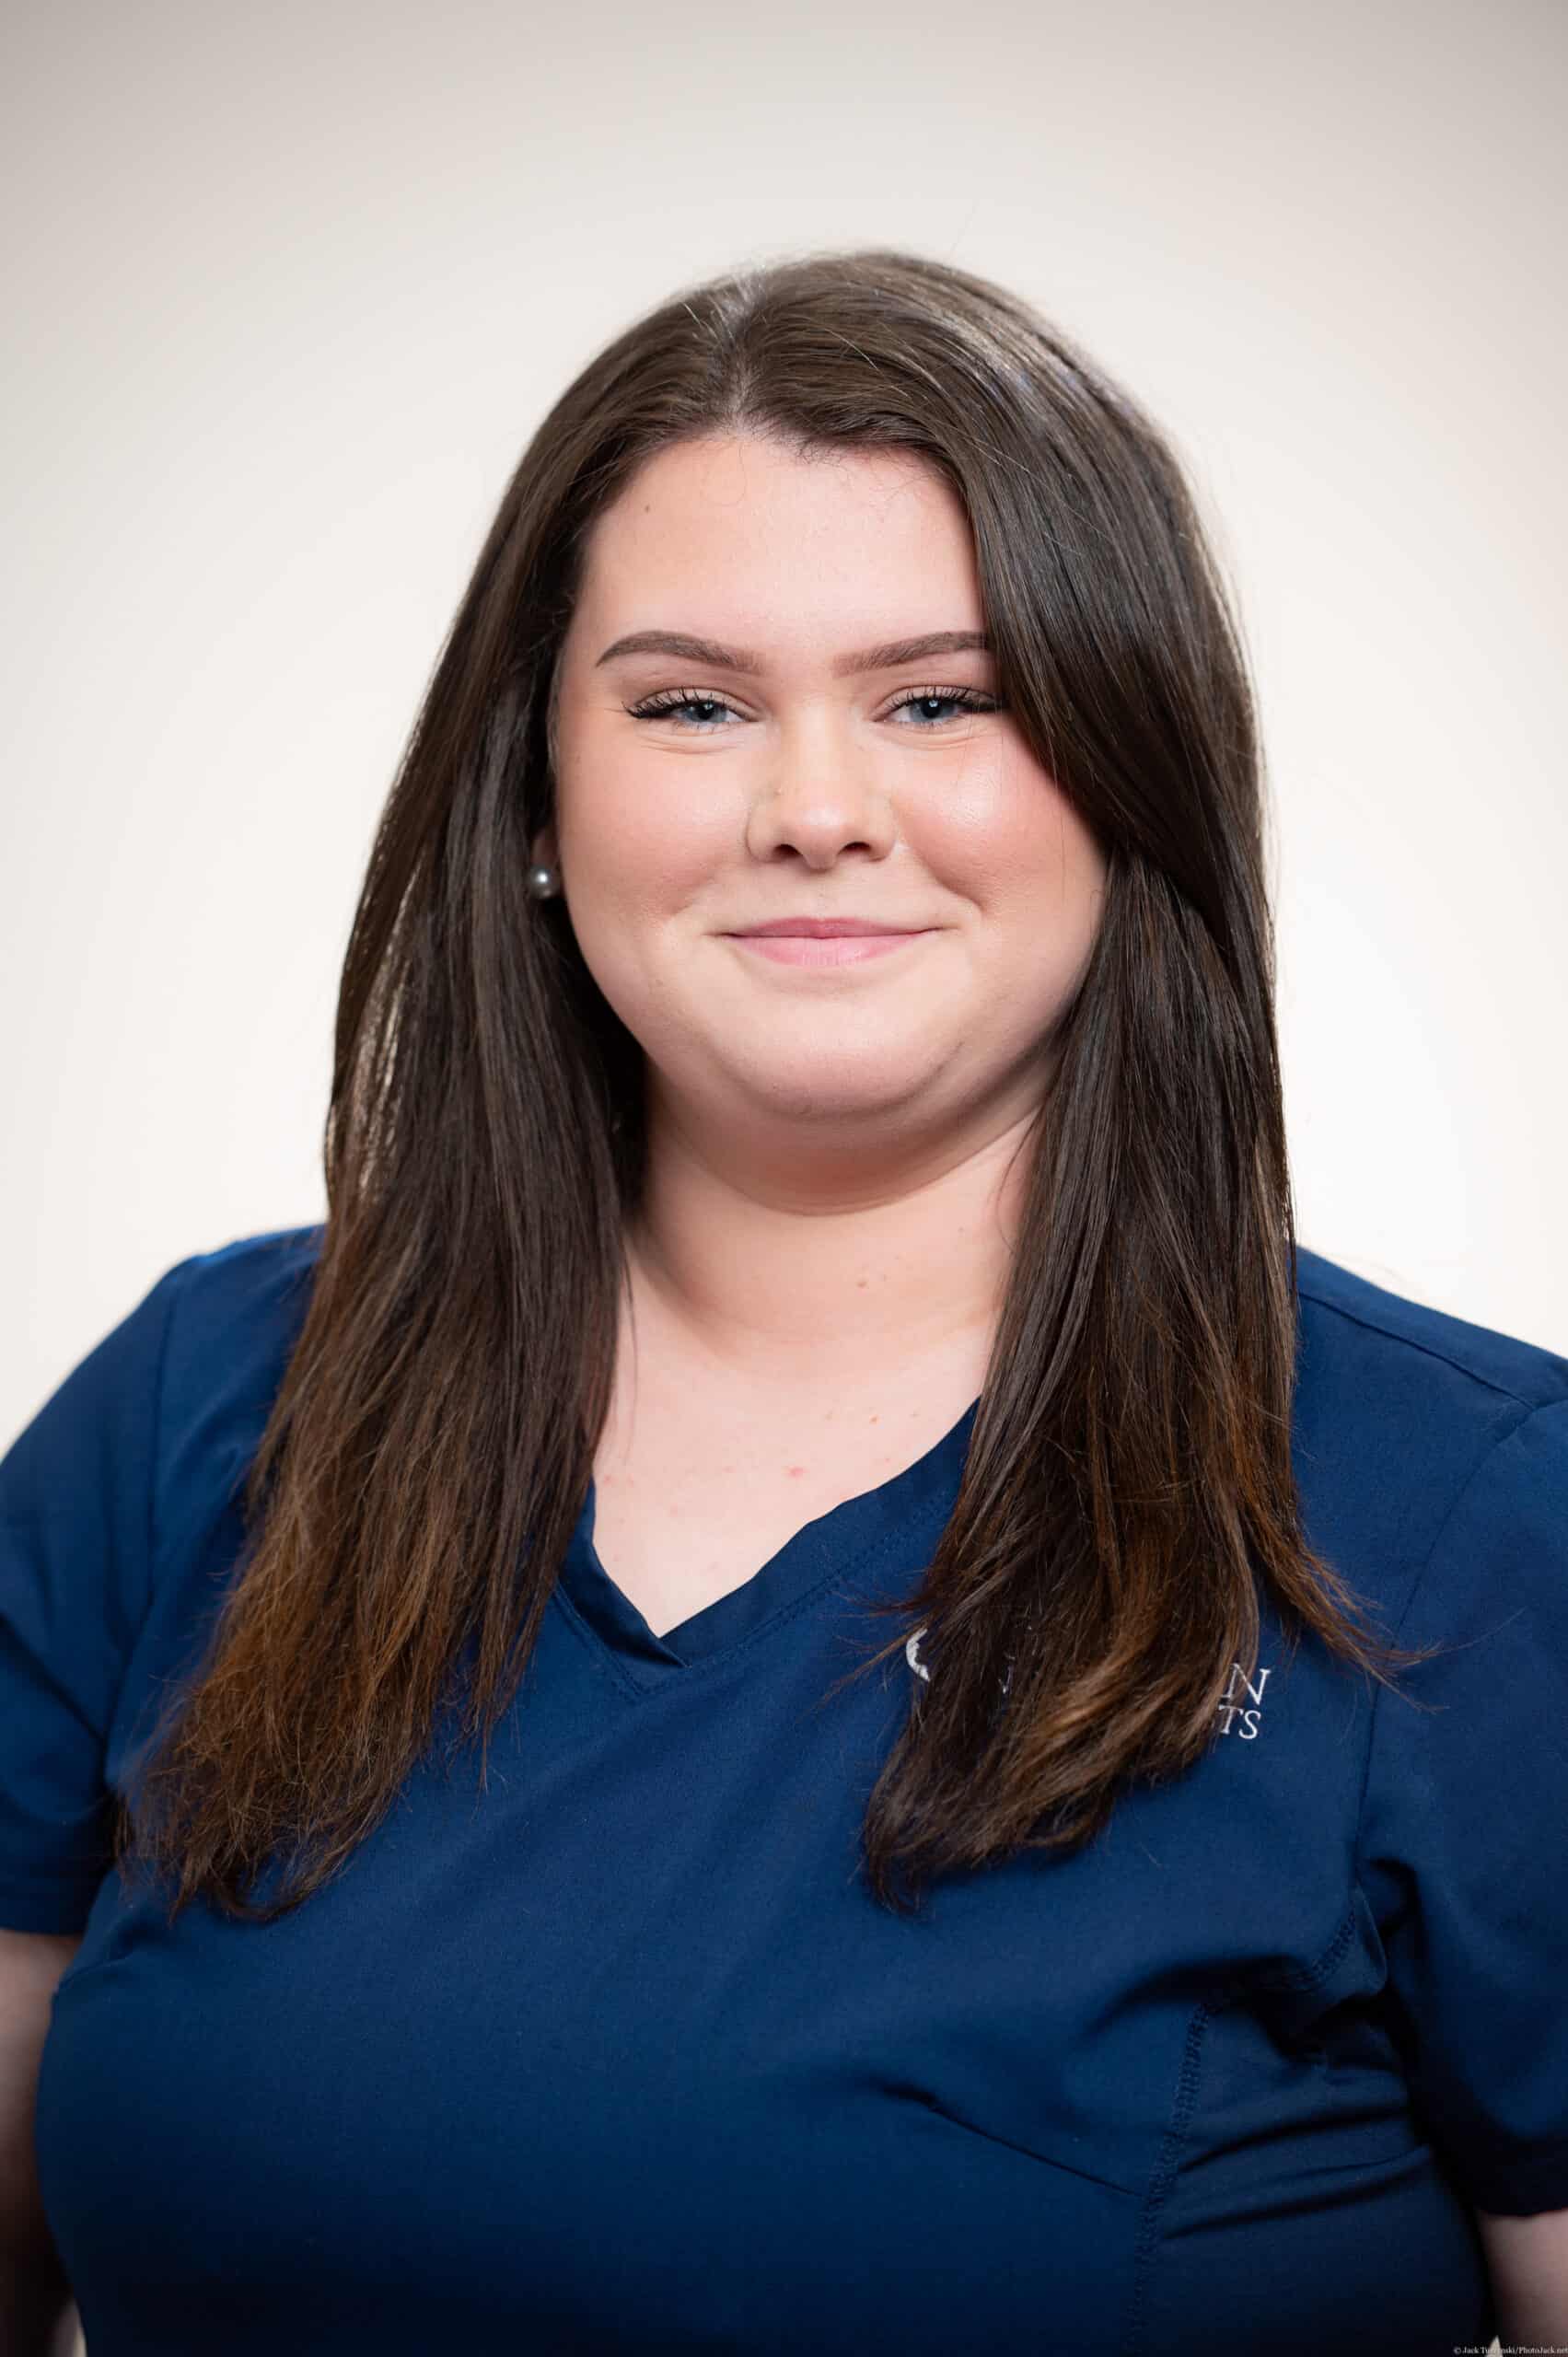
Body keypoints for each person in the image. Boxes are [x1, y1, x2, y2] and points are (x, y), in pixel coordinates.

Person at [3, 247, 1566, 2357]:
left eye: (944, 698)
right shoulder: (196, 1410)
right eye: (690, 703)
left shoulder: (1476, 1520)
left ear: (1128, 776)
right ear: (537, 808)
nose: (817, 806)